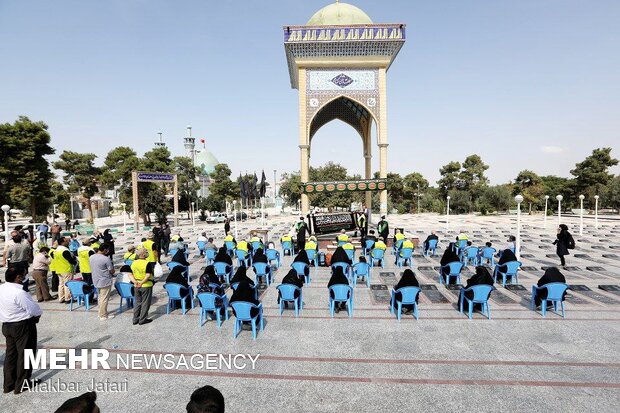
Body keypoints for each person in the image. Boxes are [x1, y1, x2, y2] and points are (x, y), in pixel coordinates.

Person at [0, 266, 42, 394]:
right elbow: (34, 310)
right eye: (24, 275)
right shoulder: (19, 293)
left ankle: (9, 384)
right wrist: (38, 313)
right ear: (18, 277)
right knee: (26, 355)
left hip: (7, 325)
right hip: (22, 326)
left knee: (11, 355)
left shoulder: (1, 288)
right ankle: (22, 384)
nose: (25, 277)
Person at [90, 243, 115, 321]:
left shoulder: (91, 257)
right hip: (105, 281)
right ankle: (103, 315)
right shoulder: (105, 259)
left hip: (96, 279)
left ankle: (100, 313)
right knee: (104, 298)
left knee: (100, 298)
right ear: (105, 250)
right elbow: (111, 270)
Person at [129, 248, 154, 325]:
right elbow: (148, 275)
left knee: (137, 302)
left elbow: (130, 274)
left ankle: (135, 319)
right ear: (144, 255)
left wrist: (135, 282)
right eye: (146, 252)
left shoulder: (133, 263)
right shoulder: (147, 263)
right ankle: (142, 319)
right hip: (146, 285)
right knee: (145, 302)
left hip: (136, 285)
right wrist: (142, 282)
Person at [54, 237, 77, 303]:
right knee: (67, 284)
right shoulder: (65, 250)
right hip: (66, 269)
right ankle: (68, 298)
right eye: (67, 241)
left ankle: (61, 298)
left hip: (59, 269)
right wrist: (75, 261)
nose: (68, 242)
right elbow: (70, 260)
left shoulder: (56, 250)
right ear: (63, 242)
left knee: (61, 284)